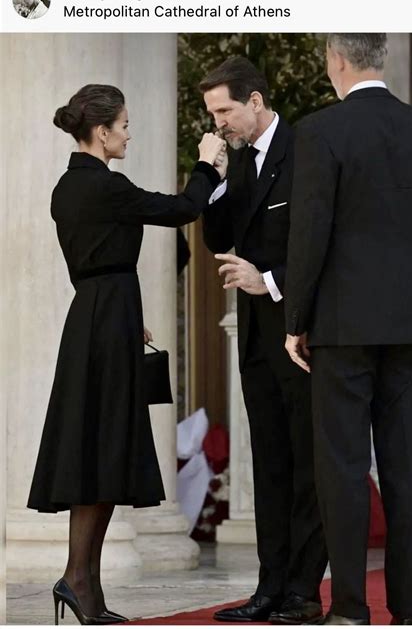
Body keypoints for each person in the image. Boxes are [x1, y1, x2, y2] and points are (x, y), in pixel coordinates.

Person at [27, 84, 226, 625]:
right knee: (104, 447)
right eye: (125, 125)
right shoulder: (105, 187)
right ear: (102, 131)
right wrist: (207, 164)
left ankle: (81, 581)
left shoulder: (66, 188)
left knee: (99, 447)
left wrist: (126, 317)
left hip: (96, 317)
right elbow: (183, 208)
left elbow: (99, 259)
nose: (129, 134)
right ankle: (78, 579)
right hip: (107, 319)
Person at [285, 34, 412, 625]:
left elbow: (309, 235)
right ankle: (409, 608)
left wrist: (296, 320)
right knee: (407, 465)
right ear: (379, 59)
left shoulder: (320, 131)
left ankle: (352, 609)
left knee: (343, 467)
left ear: (336, 60)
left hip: (341, 324)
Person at [200, 57, 328, 624]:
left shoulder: (304, 151)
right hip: (254, 340)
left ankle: (303, 593)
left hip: (298, 335)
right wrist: (213, 176)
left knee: (307, 466)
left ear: (256, 101)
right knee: (270, 467)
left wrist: (268, 281)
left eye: (224, 110)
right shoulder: (241, 162)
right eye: (212, 113)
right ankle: (269, 590)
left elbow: (316, 240)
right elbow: (219, 240)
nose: (219, 121)